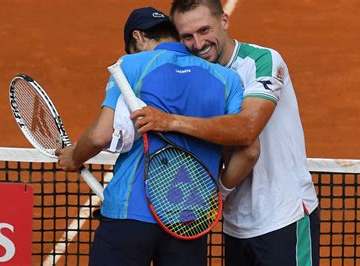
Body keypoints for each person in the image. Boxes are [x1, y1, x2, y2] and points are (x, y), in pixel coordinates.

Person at [130, 1, 320, 265]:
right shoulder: (197, 75)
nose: (198, 44)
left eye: (204, 30)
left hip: (283, 217)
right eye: (187, 36)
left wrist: (170, 121)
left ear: (225, 22)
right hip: (235, 225)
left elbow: (246, 131)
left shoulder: (262, 61)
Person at [56, 6, 244, 266]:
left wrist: (74, 157)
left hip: (128, 215)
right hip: (190, 220)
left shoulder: (130, 66)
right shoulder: (228, 79)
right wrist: (217, 192)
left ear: (138, 38)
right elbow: (239, 146)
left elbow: (100, 136)